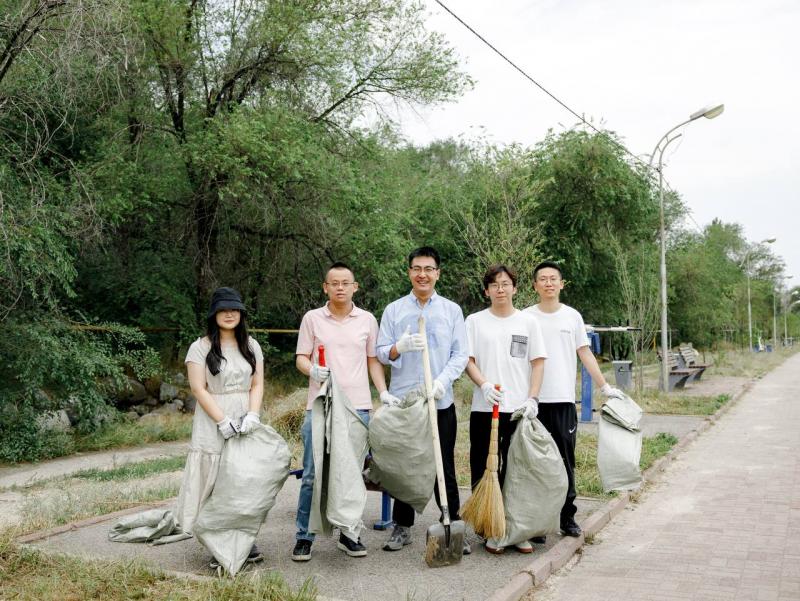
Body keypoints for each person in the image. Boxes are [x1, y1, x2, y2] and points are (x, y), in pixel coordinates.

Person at [292, 262, 391, 561]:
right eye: (333, 283)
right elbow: (300, 358)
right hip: (321, 406)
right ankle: (304, 536)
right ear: (325, 287)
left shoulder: (367, 320)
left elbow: (373, 360)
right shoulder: (312, 319)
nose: (339, 287)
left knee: (350, 474)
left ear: (354, 287)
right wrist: (313, 370)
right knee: (312, 474)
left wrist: (382, 392)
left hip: (357, 407)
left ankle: (349, 533)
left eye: (345, 283)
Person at [376, 246, 470, 554]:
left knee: (445, 465)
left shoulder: (451, 311)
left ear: (437, 273)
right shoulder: (394, 310)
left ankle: (452, 523)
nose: (423, 274)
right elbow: (380, 353)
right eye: (417, 268)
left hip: (439, 401)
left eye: (429, 269)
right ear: (409, 273)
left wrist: (443, 382)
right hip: (407, 404)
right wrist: (398, 348)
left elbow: (460, 354)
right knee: (407, 464)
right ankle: (402, 528)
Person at [525, 261, 623, 541]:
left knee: (566, 461)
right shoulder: (526, 318)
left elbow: (585, 353)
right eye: (542, 279)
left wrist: (604, 387)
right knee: (535, 463)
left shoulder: (572, 317)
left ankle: (566, 517)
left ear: (561, 284)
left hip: (563, 401)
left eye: (553, 278)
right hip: (533, 402)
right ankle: (538, 523)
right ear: (535, 285)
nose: (547, 283)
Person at [177, 287, 265, 568]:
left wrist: (253, 414)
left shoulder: (251, 345)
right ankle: (218, 543)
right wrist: (221, 420)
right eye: (224, 309)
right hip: (212, 418)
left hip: (244, 417)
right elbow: (197, 388)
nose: (229, 314)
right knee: (215, 480)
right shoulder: (200, 347)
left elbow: (257, 384)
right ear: (214, 314)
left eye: (235, 309)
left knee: (241, 479)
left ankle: (243, 538)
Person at [464, 265, 547, 554]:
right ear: (486, 290)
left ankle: (515, 527)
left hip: (517, 410)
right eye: (494, 285)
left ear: (514, 288)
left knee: (517, 469)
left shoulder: (528, 322)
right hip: (484, 408)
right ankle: (489, 526)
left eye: (506, 284)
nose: (501, 289)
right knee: (484, 466)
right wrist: (484, 385)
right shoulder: (474, 321)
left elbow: (537, 362)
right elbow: (468, 360)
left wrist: (532, 399)